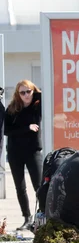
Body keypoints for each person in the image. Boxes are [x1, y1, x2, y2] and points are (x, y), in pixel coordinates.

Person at [4, 80, 42, 230]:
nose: (26, 95)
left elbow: (43, 95)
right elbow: (7, 130)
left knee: (39, 186)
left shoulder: (38, 106)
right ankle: (27, 218)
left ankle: (42, 215)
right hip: (15, 152)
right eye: (22, 92)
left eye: (29, 91)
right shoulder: (13, 109)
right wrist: (27, 128)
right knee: (20, 187)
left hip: (33, 151)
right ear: (17, 94)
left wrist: (35, 90)